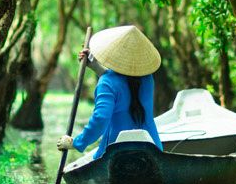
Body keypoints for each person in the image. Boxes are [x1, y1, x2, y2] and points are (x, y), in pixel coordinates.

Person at [57, 24, 163, 155]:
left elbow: (101, 118)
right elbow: (124, 83)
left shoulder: (107, 83)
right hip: (153, 150)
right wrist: (95, 66)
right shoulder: (147, 78)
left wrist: (76, 142)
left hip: (116, 154)